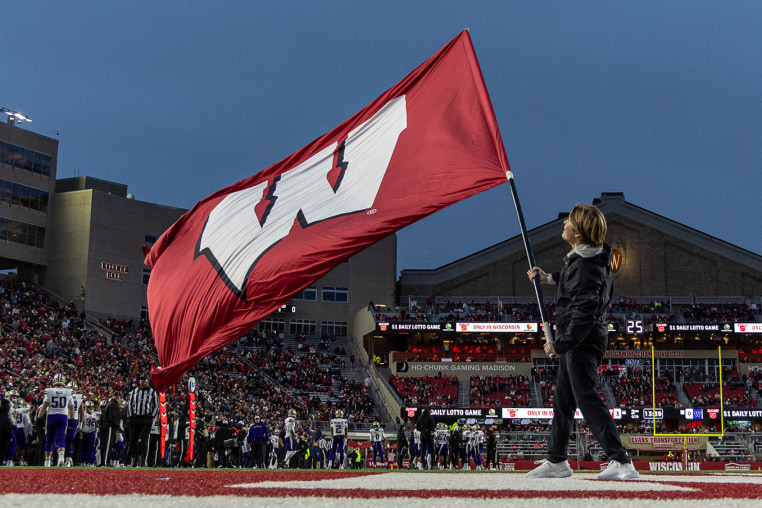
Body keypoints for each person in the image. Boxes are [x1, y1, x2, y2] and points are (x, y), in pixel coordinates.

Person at [526, 203, 639, 481]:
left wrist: (560, 343)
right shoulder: (585, 259)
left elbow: (583, 311)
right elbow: (573, 286)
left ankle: (621, 461)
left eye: (569, 221)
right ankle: (556, 460)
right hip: (581, 338)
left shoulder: (585, 266)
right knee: (563, 401)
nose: (564, 223)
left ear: (578, 232)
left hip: (582, 341)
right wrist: (548, 277)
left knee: (586, 398)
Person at [37, 373, 75, 467]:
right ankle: (61, 458)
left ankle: (47, 461)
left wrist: (38, 418)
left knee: (49, 439)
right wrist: (72, 420)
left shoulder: (50, 391)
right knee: (61, 438)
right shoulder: (68, 392)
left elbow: (43, 407)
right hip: (63, 416)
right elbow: (71, 408)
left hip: (51, 416)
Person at [126, 375, 159, 467]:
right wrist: (130, 417)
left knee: (145, 440)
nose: (143, 382)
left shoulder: (152, 392)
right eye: (141, 380)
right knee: (132, 440)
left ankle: (143, 461)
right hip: (136, 418)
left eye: (144, 380)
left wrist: (152, 417)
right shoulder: (134, 391)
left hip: (146, 418)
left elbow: (156, 405)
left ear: (147, 381)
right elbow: (130, 404)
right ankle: (135, 458)